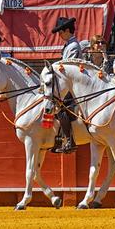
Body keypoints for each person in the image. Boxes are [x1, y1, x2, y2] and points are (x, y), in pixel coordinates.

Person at [49, 16, 82, 153]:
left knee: (61, 108)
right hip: (68, 83)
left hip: (72, 84)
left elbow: (68, 66)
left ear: (67, 30)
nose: (59, 35)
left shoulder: (73, 46)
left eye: (61, 32)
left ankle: (69, 140)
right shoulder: (69, 45)